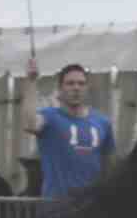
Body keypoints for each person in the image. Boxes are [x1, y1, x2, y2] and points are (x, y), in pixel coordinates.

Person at [21, 60, 114, 200]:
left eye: (81, 83)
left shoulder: (103, 122)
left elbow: (109, 165)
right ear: (60, 89)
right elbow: (29, 124)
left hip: (91, 207)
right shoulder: (49, 117)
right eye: (70, 83)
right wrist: (31, 81)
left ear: (87, 88)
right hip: (56, 206)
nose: (76, 87)